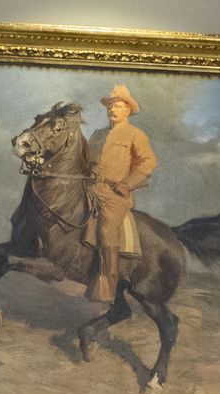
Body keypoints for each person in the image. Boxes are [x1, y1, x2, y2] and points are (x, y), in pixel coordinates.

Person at [85, 83, 158, 303]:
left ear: (128, 109)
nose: (112, 110)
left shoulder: (136, 135)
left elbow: (149, 162)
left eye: (117, 106)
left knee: (107, 229)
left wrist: (127, 183)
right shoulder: (97, 135)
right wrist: (89, 167)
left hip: (115, 195)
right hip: (90, 187)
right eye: (109, 106)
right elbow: (86, 160)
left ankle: (108, 282)